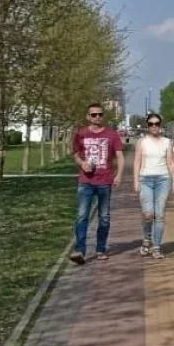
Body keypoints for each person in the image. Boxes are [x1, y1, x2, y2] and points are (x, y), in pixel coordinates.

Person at [71, 102, 124, 264]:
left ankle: (100, 249)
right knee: (82, 216)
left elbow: (120, 156)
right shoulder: (81, 134)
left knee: (104, 217)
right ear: (88, 116)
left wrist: (119, 175)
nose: (97, 117)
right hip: (86, 182)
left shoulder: (111, 134)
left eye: (100, 114)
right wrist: (82, 163)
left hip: (104, 181)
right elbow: (75, 154)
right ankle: (80, 251)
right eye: (94, 115)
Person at [133, 113, 174, 258]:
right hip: (145, 179)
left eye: (157, 124)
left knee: (159, 214)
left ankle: (157, 247)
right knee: (148, 214)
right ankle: (146, 240)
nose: (154, 126)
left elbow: (170, 162)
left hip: (163, 180)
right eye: (151, 124)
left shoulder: (167, 142)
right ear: (147, 126)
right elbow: (137, 161)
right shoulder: (142, 142)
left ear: (160, 125)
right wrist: (136, 180)